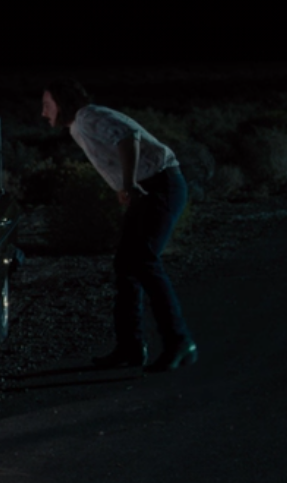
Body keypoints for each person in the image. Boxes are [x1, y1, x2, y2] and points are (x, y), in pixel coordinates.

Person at [41, 78, 197, 372]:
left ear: (62, 102)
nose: (43, 112)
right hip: (152, 186)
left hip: (160, 185)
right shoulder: (80, 124)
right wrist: (121, 185)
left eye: (47, 105)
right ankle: (130, 347)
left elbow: (127, 138)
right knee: (127, 265)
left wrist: (128, 183)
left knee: (144, 260)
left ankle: (179, 341)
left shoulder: (88, 116)